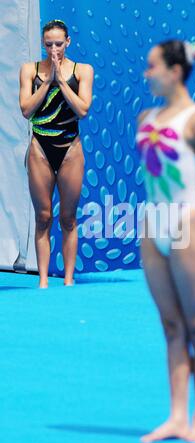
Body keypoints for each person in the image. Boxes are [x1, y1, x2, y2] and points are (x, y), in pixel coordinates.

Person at [136, 40, 195, 443]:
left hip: (188, 223)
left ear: (175, 71)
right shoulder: (146, 116)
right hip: (153, 223)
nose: (146, 73)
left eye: (152, 66)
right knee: (171, 326)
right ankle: (176, 415)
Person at [19, 19, 93, 288]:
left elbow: (82, 111)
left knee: (68, 218)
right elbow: (26, 110)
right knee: (43, 217)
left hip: (70, 148)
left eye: (59, 44)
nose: (54, 49)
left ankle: (69, 280)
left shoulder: (82, 70)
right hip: (40, 147)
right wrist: (47, 81)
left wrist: (61, 81)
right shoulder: (30, 70)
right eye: (48, 44)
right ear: (42, 43)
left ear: (68, 42)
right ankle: (42, 280)